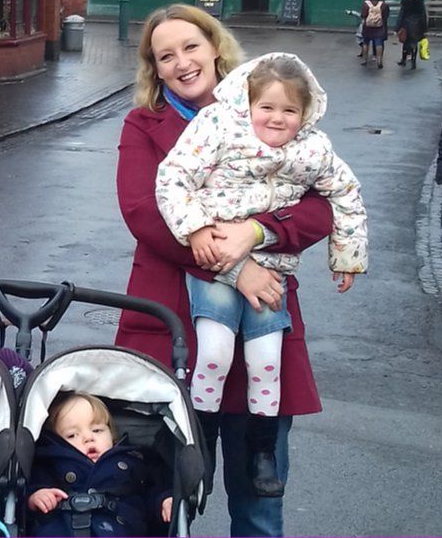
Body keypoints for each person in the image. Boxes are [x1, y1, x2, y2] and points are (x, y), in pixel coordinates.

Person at [114, 3, 334, 537]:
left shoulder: (270, 108)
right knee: (159, 505)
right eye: (166, 56)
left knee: (257, 507)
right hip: (172, 330)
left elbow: (320, 205)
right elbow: (144, 211)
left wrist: (256, 233)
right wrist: (237, 270)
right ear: (155, 68)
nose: (182, 63)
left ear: (215, 47)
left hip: (259, 325)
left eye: (191, 46)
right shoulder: (144, 124)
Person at [155, 52, 368, 497]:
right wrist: (195, 228)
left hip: (272, 270)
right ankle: (202, 447)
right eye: (267, 108)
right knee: (213, 355)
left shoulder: (314, 149)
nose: (277, 119)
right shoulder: (218, 127)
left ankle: (262, 451)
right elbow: (174, 177)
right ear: (248, 104)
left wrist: (346, 255)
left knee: (267, 363)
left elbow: (345, 194)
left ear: (305, 113)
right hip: (213, 263)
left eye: (290, 110)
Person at [26, 393, 172, 537]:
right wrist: (37, 495)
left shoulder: (132, 460)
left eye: (97, 430)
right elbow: (33, 484)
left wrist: (163, 500)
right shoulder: (52, 461)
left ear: (112, 434)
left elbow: (152, 489)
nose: (89, 438)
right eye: (72, 435)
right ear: (56, 441)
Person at [396, 0, 428, 69]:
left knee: (406, 43)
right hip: (418, 25)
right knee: (414, 43)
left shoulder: (405, 3)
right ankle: (413, 62)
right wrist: (424, 28)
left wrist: (397, 27)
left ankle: (403, 60)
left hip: (406, 25)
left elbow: (401, 16)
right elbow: (424, 16)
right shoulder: (420, 4)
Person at [360, 0, 389, 68]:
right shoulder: (383, 4)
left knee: (366, 42)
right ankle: (379, 60)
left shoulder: (366, 3)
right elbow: (386, 16)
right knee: (378, 43)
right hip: (379, 26)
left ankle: (364, 59)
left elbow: (363, 15)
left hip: (367, 26)